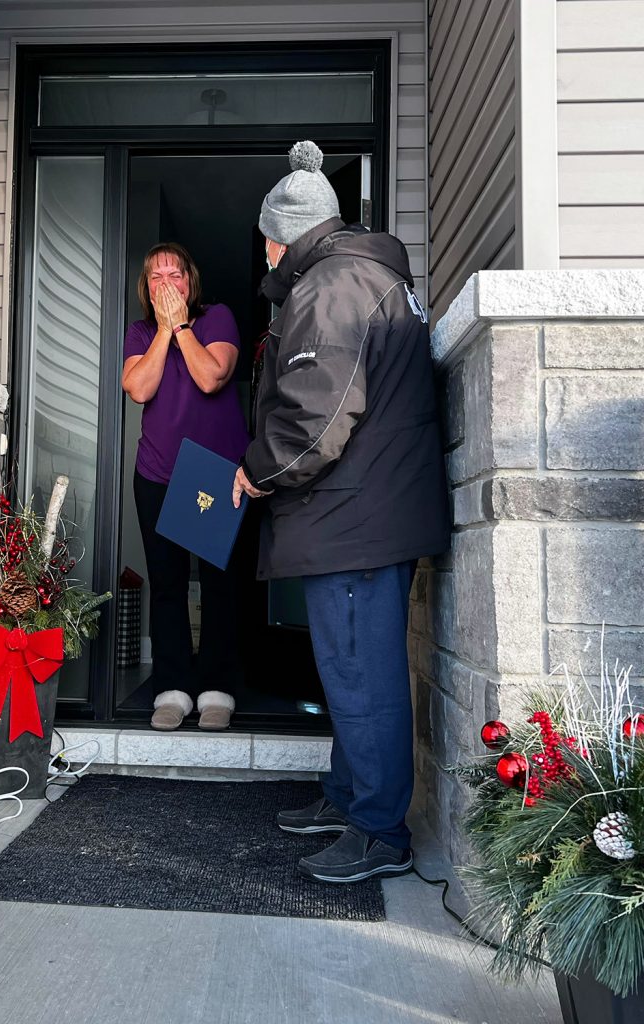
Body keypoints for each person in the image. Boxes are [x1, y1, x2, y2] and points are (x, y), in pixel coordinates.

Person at [233, 142, 451, 883]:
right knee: (352, 671)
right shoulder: (361, 276)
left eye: (265, 236)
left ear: (283, 235)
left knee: (363, 677)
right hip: (364, 514)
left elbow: (315, 418)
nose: (261, 250)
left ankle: (378, 832)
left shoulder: (332, 287)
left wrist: (257, 470)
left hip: (356, 521)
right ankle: (349, 796)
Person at [123, 243, 251, 732]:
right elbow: (139, 388)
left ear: (190, 282)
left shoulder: (216, 318)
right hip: (157, 472)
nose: (166, 283)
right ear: (146, 288)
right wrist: (161, 331)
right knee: (169, 585)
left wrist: (180, 328)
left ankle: (218, 688)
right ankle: (172, 689)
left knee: (219, 584)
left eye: (175, 274)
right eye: (156, 277)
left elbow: (211, 376)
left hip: (213, 472)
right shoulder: (139, 332)